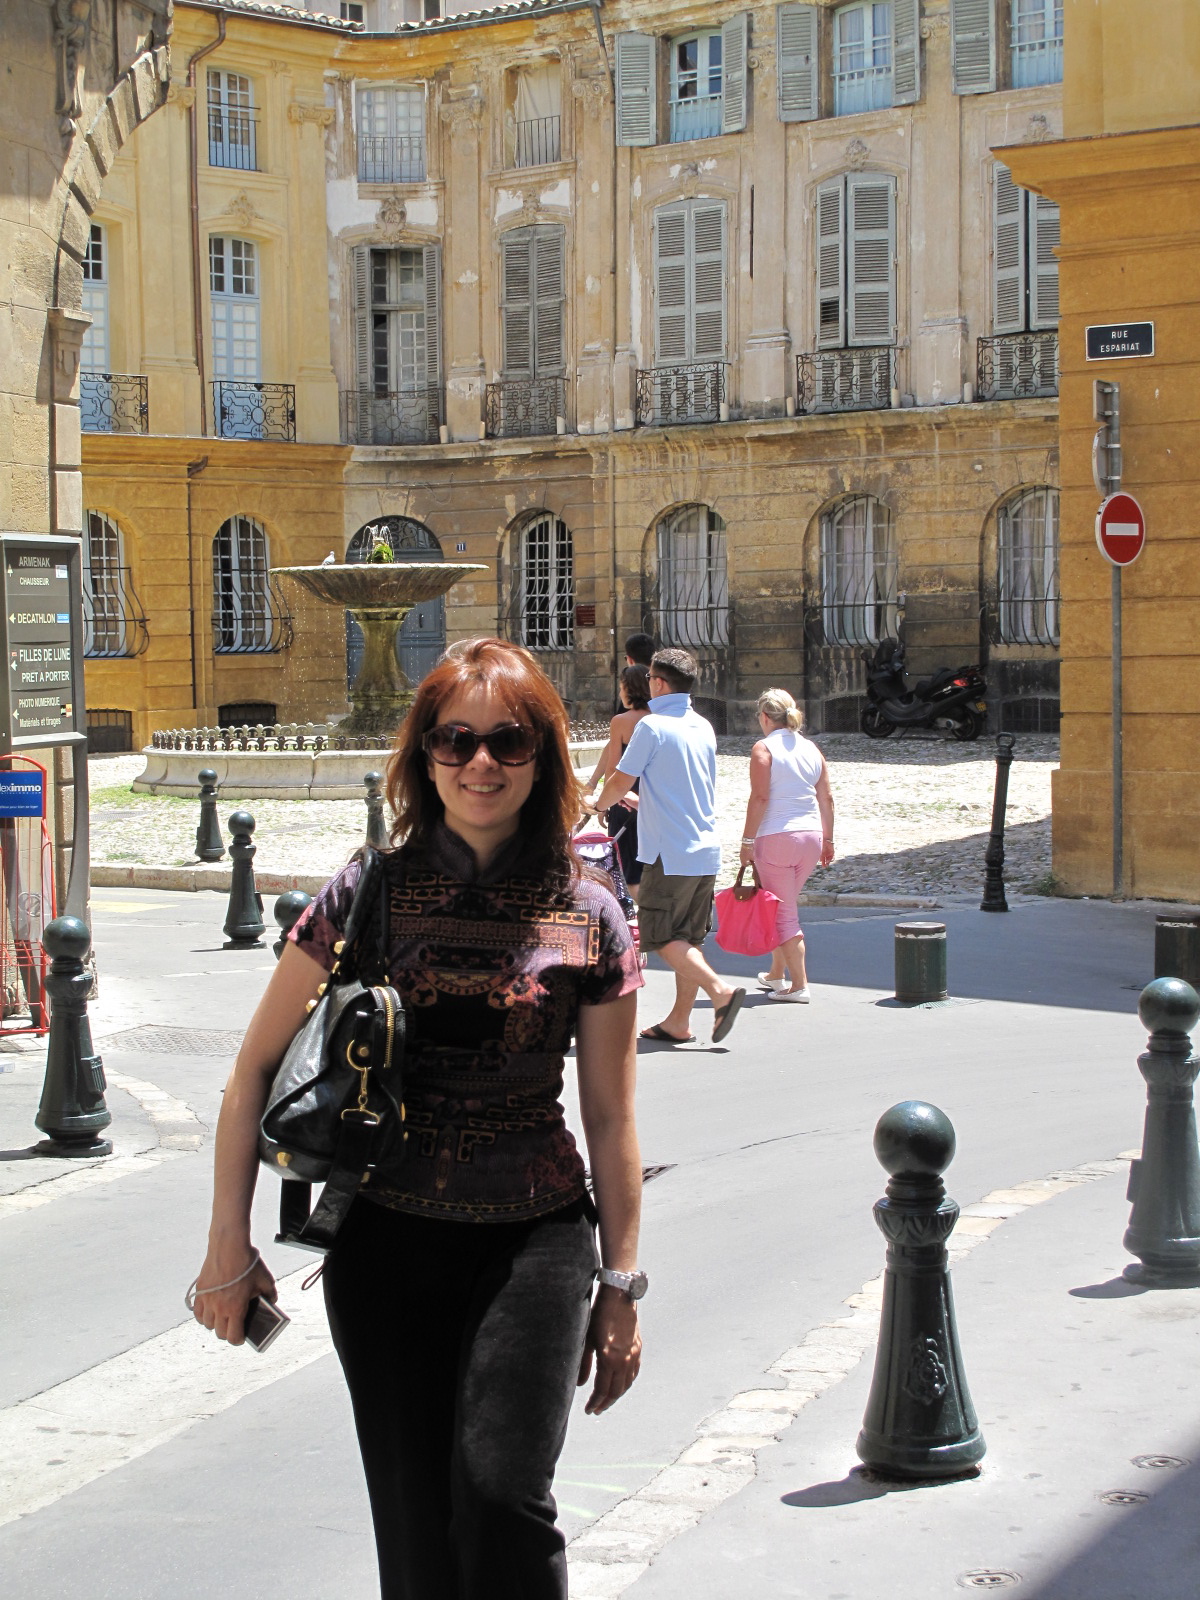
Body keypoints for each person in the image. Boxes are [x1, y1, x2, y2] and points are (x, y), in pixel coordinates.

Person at [189, 639, 646, 1600]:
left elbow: (610, 1117)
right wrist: (228, 1242)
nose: (481, 763)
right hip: (386, 1238)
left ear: (542, 758)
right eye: (455, 740)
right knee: (414, 1522)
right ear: (425, 754)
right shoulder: (370, 892)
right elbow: (253, 1070)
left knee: (501, 1497)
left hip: (536, 1235)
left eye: (508, 742)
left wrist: (621, 1284)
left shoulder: (589, 913)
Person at [588, 648, 745, 1047]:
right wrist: (643, 802)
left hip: (669, 851)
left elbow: (620, 779)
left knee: (659, 935)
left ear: (658, 683)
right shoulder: (703, 726)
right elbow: (681, 786)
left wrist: (597, 804)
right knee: (688, 938)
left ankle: (721, 991)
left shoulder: (652, 727)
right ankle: (679, 1021)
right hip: (704, 847)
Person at [738, 687, 835, 1002]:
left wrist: (747, 841)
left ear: (765, 717)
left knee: (784, 915)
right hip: (810, 836)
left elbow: (760, 797)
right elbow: (826, 797)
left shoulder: (763, 748)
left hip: (776, 837)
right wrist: (828, 838)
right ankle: (776, 974)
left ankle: (799, 985)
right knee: (784, 905)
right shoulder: (811, 748)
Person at [584, 663, 651, 900]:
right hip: (653, 800)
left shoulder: (621, 721)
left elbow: (613, 769)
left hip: (625, 800)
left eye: (621, 687)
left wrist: (604, 804)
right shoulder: (660, 719)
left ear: (629, 689)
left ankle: (643, 918)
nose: (620, 692)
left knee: (629, 870)